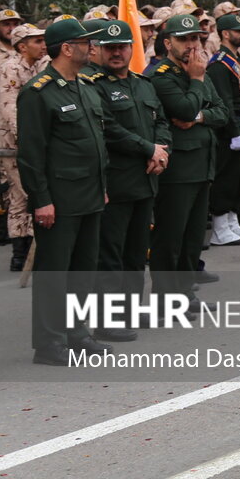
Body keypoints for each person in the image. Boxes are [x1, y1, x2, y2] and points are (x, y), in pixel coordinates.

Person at [16, 18, 113, 364]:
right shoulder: (38, 92)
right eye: (85, 42)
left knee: (84, 269)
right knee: (54, 272)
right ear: (67, 48)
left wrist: (100, 188)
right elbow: (31, 154)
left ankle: (77, 334)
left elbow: (95, 144)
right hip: (58, 198)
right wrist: (41, 200)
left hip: (89, 194)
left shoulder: (85, 86)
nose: (92, 47)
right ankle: (49, 343)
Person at [88, 21, 170, 340]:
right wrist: (148, 148)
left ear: (132, 48)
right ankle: (107, 320)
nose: (117, 52)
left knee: (136, 252)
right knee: (110, 254)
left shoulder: (142, 83)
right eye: (110, 48)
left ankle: (130, 310)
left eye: (122, 46)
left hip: (146, 179)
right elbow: (108, 128)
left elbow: (160, 121)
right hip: (115, 181)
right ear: (98, 50)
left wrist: (162, 150)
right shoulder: (93, 85)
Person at [149, 13, 230, 312]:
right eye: (184, 39)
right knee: (170, 236)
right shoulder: (162, 76)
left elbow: (222, 113)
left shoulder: (200, 72)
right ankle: (164, 298)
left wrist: (198, 117)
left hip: (202, 165)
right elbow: (181, 108)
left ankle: (184, 294)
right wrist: (195, 83)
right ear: (168, 42)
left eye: (195, 38)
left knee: (192, 236)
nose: (191, 45)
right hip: (178, 169)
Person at [0, 23, 47, 272]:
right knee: (31, 194)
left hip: (22, 144)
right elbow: (11, 110)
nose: (43, 45)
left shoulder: (35, 66)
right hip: (15, 145)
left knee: (19, 199)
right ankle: (28, 252)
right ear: (22, 46)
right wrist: (30, 141)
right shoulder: (11, 67)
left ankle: (20, 255)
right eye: (37, 41)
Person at [206, 12, 240, 246]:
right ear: (225, 34)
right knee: (225, 177)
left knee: (238, 178)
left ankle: (232, 221)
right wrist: (234, 131)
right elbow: (224, 101)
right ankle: (219, 227)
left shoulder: (236, 58)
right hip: (228, 128)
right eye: (238, 31)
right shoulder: (219, 63)